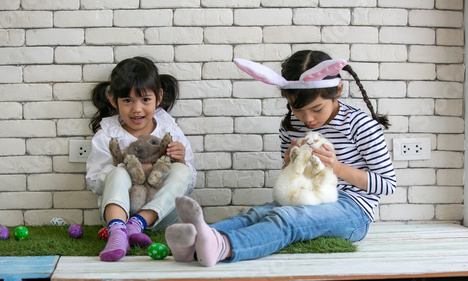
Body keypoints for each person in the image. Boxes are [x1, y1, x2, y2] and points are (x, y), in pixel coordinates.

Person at [165, 50, 396, 267]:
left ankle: (223, 246)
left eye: (316, 109)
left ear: (338, 91)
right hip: (305, 196)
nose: (308, 119)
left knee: (286, 217)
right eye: (297, 109)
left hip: (353, 208)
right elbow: (292, 179)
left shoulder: (360, 125)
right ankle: (192, 241)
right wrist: (289, 165)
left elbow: (387, 184)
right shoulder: (291, 125)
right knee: (258, 214)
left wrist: (335, 167)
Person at [86, 56, 196, 262]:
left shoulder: (169, 131)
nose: (137, 109)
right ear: (113, 100)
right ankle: (119, 233)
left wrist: (180, 161)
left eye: (145, 99)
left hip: (162, 216)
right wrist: (127, 168)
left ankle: (137, 224)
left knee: (182, 171)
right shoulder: (108, 135)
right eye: (127, 101)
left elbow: (189, 185)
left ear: (159, 97)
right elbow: (94, 182)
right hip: (117, 214)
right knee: (117, 171)